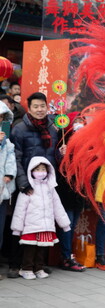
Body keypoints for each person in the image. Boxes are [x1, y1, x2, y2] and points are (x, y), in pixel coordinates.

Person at [8, 92, 65, 278]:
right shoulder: (20, 129)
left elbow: (53, 157)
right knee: (20, 224)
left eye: (43, 106)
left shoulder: (52, 127)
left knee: (44, 224)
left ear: (47, 107)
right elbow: (15, 158)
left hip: (45, 184)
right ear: (29, 108)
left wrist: (61, 154)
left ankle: (38, 265)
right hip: (25, 185)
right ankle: (16, 264)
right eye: (36, 106)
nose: (40, 110)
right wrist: (24, 184)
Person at [10, 157, 70, 279]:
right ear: (31, 171)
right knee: (30, 249)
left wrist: (65, 224)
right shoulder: (28, 189)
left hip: (46, 225)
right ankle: (26, 269)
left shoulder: (50, 188)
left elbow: (57, 206)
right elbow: (20, 210)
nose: (41, 171)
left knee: (42, 248)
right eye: (37, 169)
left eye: (43, 169)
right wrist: (17, 228)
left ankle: (39, 268)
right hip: (31, 226)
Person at [55, 112, 86, 272]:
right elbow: (58, 166)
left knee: (72, 225)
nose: (79, 124)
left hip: (79, 191)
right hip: (66, 191)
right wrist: (61, 155)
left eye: (82, 121)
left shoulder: (86, 143)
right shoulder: (62, 142)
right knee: (66, 225)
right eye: (76, 121)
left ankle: (68, 255)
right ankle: (66, 257)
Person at [0, 101, 16, 279]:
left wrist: (9, 175)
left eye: (2, 118)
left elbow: (11, 160)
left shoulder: (8, 142)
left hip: (2, 191)